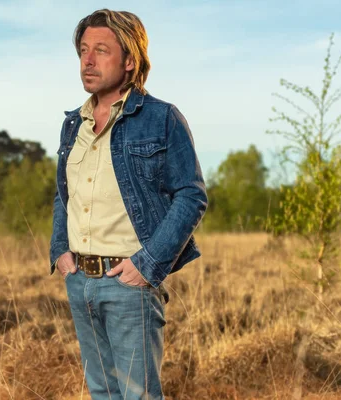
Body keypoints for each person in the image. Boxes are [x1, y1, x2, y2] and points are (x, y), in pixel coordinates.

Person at [49, 9, 207, 400]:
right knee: (102, 392)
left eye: (101, 50)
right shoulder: (75, 124)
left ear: (131, 60)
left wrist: (147, 265)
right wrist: (60, 252)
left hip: (127, 282)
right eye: (83, 50)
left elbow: (191, 195)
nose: (88, 60)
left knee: (139, 395)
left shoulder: (161, 118)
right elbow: (63, 192)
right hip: (79, 279)